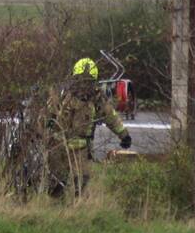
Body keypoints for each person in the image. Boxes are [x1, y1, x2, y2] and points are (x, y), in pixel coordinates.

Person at [45, 57, 131, 198]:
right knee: (56, 184)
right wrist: (47, 124)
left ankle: (78, 206)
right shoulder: (63, 93)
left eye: (88, 81)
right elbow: (49, 112)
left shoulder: (97, 98)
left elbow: (110, 116)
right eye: (81, 80)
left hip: (82, 148)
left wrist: (124, 135)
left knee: (81, 183)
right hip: (59, 145)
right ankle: (56, 205)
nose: (83, 85)